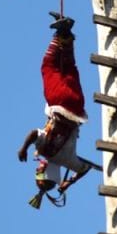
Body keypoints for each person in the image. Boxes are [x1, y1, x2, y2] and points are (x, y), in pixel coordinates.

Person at [17, 13, 98, 208]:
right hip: (60, 103)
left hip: (77, 106)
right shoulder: (46, 150)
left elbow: (84, 169)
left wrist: (68, 183)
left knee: (69, 69)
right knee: (49, 67)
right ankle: (59, 33)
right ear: (44, 169)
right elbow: (33, 133)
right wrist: (24, 149)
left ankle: (67, 34)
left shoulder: (69, 161)